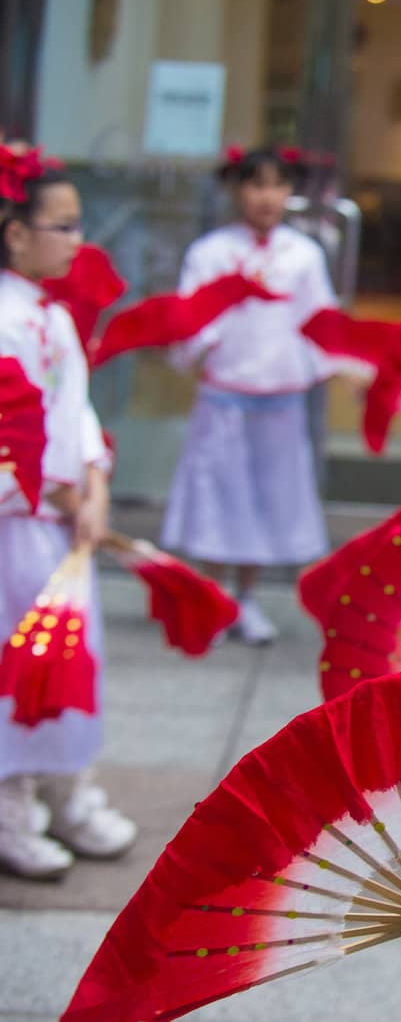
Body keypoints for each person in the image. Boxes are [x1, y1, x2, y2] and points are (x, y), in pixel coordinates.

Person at [0, 150, 137, 879]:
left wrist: (95, 485)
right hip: (16, 523)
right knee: (21, 662)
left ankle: (70, 789)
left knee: (70, 658)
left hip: (58, 516)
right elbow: (8, 434)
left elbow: (73, 415)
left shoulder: (50, 313)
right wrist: (68, 495)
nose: (77, 238)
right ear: (15, 233)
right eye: (62, 225)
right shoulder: (5, 318)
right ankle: (13, 811)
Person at [160, 146, 336, 646]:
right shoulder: (211, 252)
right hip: (226, 390)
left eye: (277, 185)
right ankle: (213, 597)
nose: (266, 196)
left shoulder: (304, 254)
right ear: (238, 190)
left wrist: (341, 365)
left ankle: (248, 597)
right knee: (220, 492)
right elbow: (190, 317)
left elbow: (319, 321)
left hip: (278, 392)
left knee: (265, 496)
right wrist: (196, 347)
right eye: (256, 184)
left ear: (291, 192)